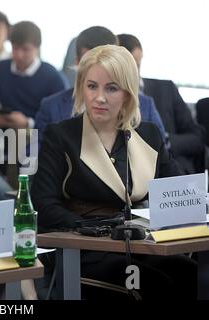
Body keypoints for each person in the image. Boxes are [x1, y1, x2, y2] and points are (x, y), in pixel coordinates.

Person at [31, 44, 196, 299]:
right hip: (84, 251)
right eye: (92, 86)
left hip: (139, 245)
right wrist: (100, 229)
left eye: (111, 88)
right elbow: (44, 205)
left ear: (128, 95)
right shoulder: (61, 136)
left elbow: (177, 191)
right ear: (81, 89)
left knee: (188, 272)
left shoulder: (148, 134)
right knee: (157, 283)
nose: (99, 97)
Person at [35, 26, 166, 143]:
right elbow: (33, 160)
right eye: (90, 62)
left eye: (107, 62)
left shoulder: (146, 107)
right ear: (77, 64)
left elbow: (161, 161)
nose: (99, 69)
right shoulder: (51, 107)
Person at [118, 33, 205, 174]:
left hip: (171, 172)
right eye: (128, 67)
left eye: (138, 65)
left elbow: (197, 138)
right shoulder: (107, 99)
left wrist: (163, 140)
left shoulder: (166, 89)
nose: (134, 73)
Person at [0, 21, 68, 130]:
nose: (19, 55)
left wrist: (28, 123)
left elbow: (61, 119)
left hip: (37, 136)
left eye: (25, 49)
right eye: (15, 48)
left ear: (37, 48)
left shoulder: (54, 78)